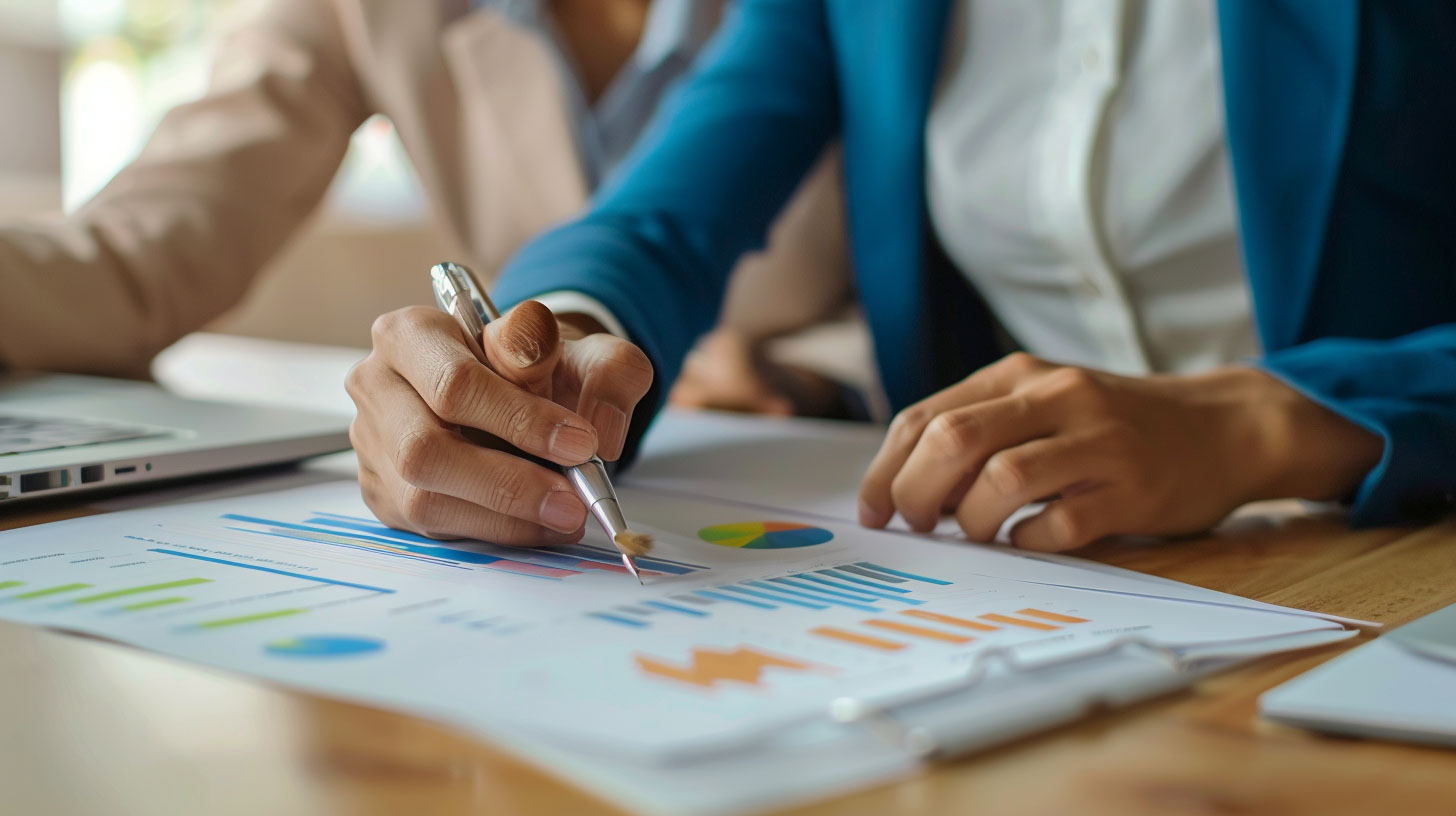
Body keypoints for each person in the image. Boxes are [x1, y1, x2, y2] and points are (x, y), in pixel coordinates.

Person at [350, 0, 1456, 552]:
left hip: (1383, 565)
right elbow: (662, 214)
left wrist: (1265, 423)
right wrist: (554, 346)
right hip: (1022, 591)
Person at [0, 0, 853, 413]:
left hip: (825, 455)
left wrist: (831, 380)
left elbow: (966, 241)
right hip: (570, 487)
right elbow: (141, 254)